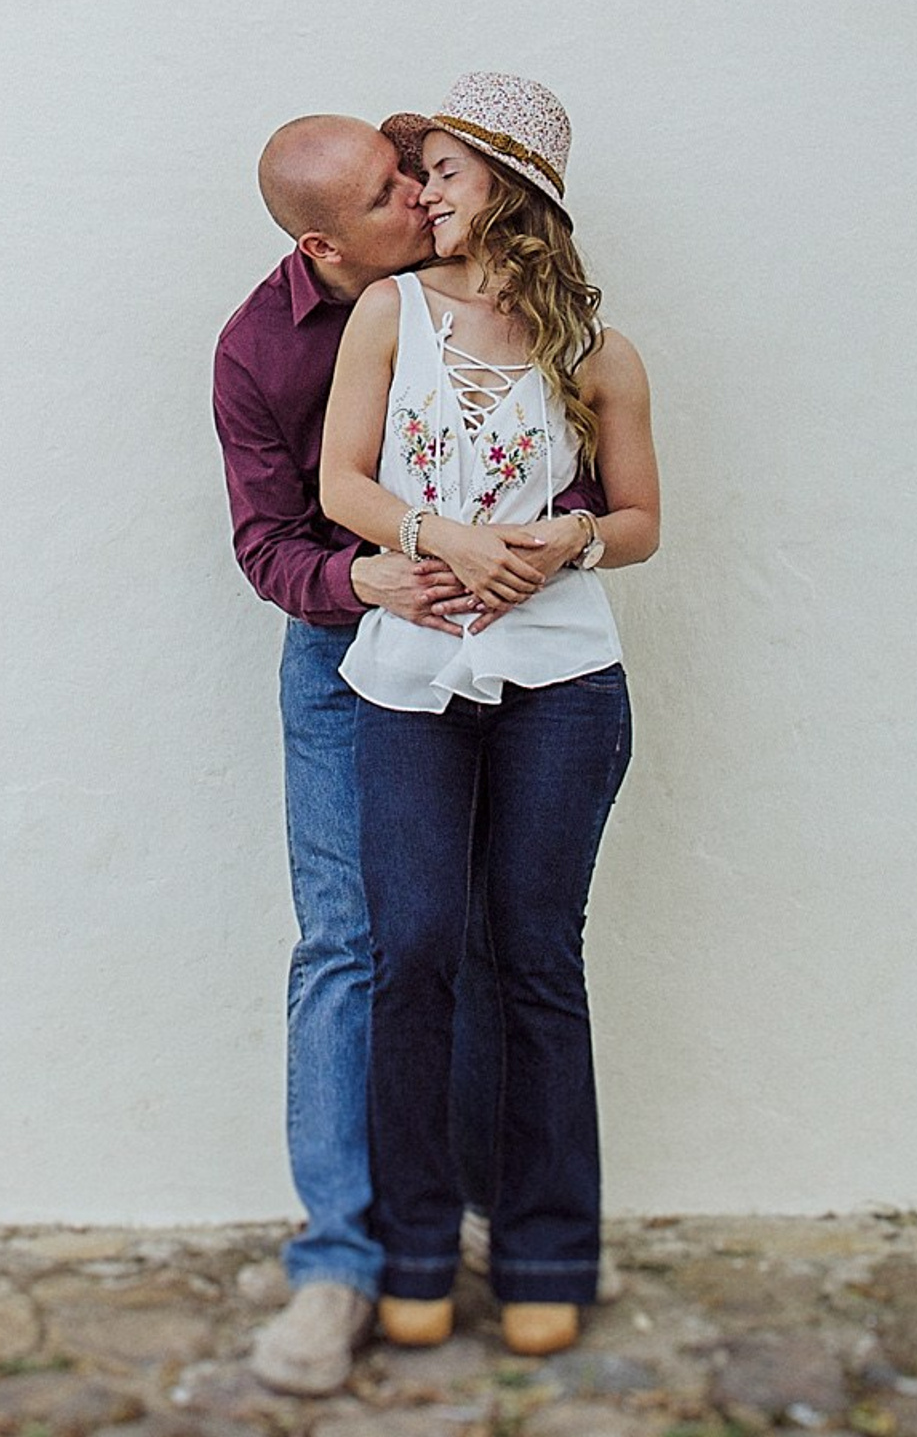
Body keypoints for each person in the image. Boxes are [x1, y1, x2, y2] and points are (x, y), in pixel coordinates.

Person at [211, 112, 602, 1396]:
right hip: (347, 657)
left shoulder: (488, 292)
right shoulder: (260, 349)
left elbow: (563, 450)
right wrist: (367, 577)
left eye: (418, 175)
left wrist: (556, 537)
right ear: (325, 244)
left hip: (504, 642)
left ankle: (480, 1227)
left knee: (488, 934)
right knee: (352, 940)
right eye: (392, 194)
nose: (421, 200)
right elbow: (268, 542)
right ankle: (338, 1260)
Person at [319, 74, 660, 1361]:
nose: (424, 195)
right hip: (409, 682)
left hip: (562, 687)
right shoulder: (389, 314)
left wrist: (568, 541)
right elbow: (340, 484)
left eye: (446, 173)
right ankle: (415, 1248)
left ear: (510, 188)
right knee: (412, 953)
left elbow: (640, 521)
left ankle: (545, 1251)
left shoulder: (600, 352)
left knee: (534, 960)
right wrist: (444, 535)